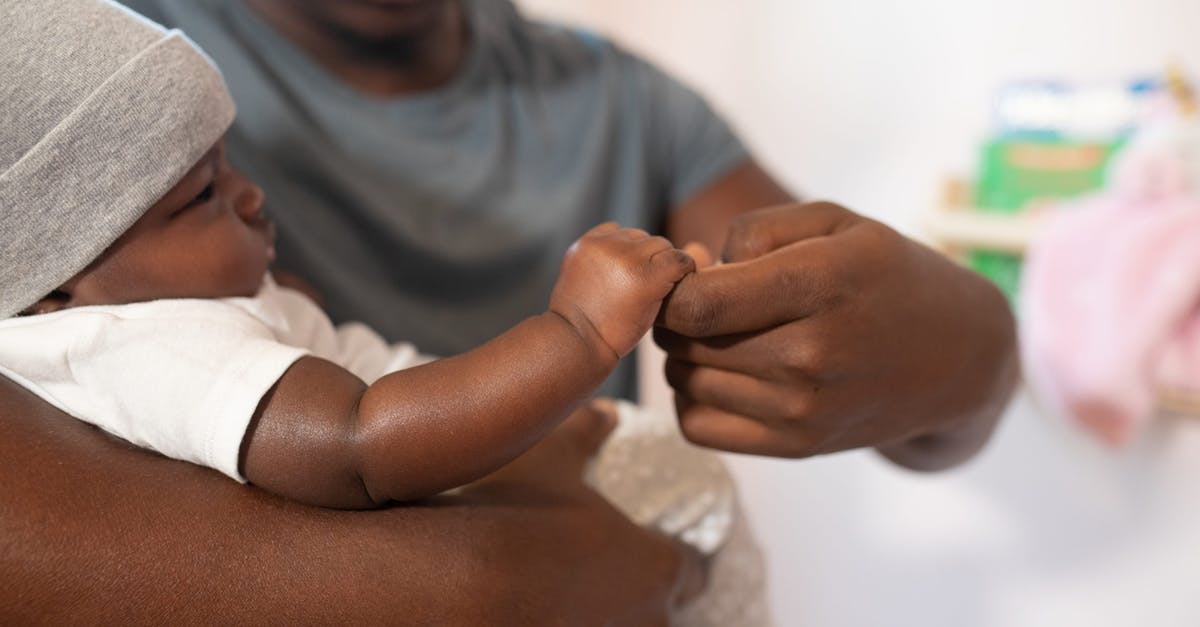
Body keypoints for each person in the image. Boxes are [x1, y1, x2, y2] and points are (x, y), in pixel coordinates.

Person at [0, 2, 765, 623]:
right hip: (490, 515)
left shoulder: (137, 303)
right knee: (698, 525)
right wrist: (578, 335)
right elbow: (363, 442)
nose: (251, 195)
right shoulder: (145, 344)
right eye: (203, 195)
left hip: (532, 503)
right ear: (57, 283)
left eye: (228, 165)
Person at [119, 0, 1018, 468]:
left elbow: (896, 391)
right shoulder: (106, 70)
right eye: (198, 196)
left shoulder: (627, 105)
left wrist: (970, 352)